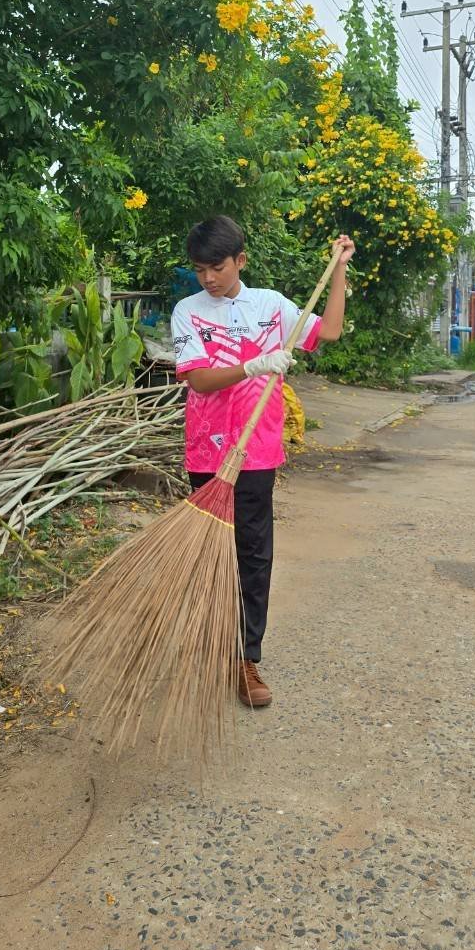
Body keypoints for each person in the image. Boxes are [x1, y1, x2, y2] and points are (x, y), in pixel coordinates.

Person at [171, 216, 355, 707]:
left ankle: (245, 658)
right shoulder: (187, 312)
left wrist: (338, 270)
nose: (208, 278)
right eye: (200, 269)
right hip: (208, 450)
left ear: (240, 261)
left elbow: (330, 330)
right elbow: (198, 380)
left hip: (257, 452)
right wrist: (253, 365)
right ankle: (209, 645)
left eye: (217, 267)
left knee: (253, 556)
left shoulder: (272, 306)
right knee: (210, 552)